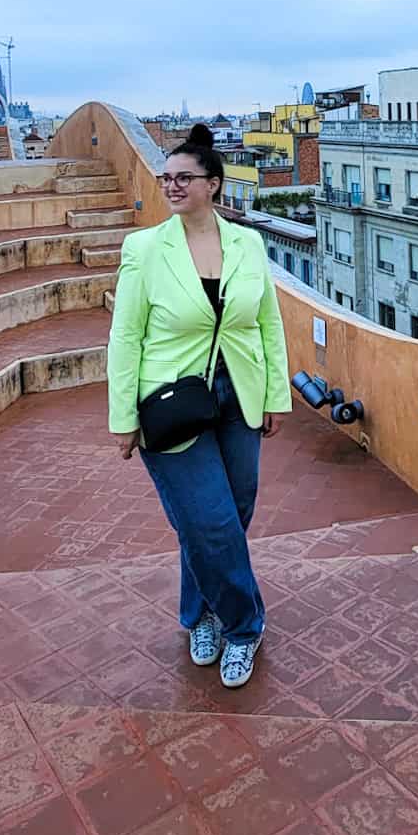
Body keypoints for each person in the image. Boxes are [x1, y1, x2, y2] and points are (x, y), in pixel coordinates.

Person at [107, 123, 291, 688]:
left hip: (241, 393)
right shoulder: (145, 249)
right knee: (208, 521)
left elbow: (268, 323)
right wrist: (123, 417)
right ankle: (243, 625)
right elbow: (125, 336)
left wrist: (276, 396)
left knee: (231, 515)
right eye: (166, 178)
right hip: (171, 401)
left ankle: (200, 611)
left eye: (183, 177)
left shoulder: (247, 243)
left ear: (213, 183)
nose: (171, 186)